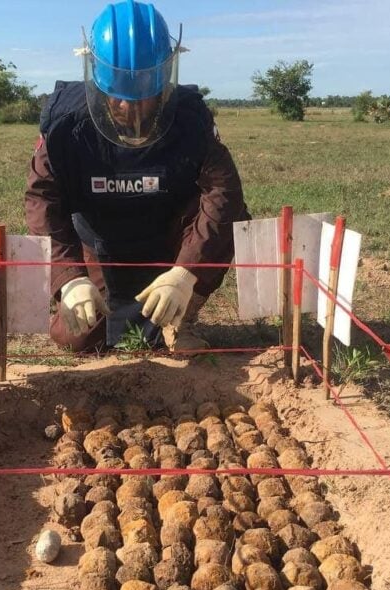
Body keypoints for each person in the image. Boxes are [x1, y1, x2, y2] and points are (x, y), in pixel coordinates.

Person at [25, 0, 248, 352]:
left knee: (234, 218)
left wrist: (186, 272)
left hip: (172, 239)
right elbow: (42, 201)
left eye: (146, 95)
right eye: (118, 97)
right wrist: (68, 278)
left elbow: (225, 193)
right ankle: (85, 297)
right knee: (80, 339)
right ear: (97, 80)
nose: (131, 109)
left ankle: (182, 316)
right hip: (98, 241)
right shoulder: (66, 125)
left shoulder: (192, 120)